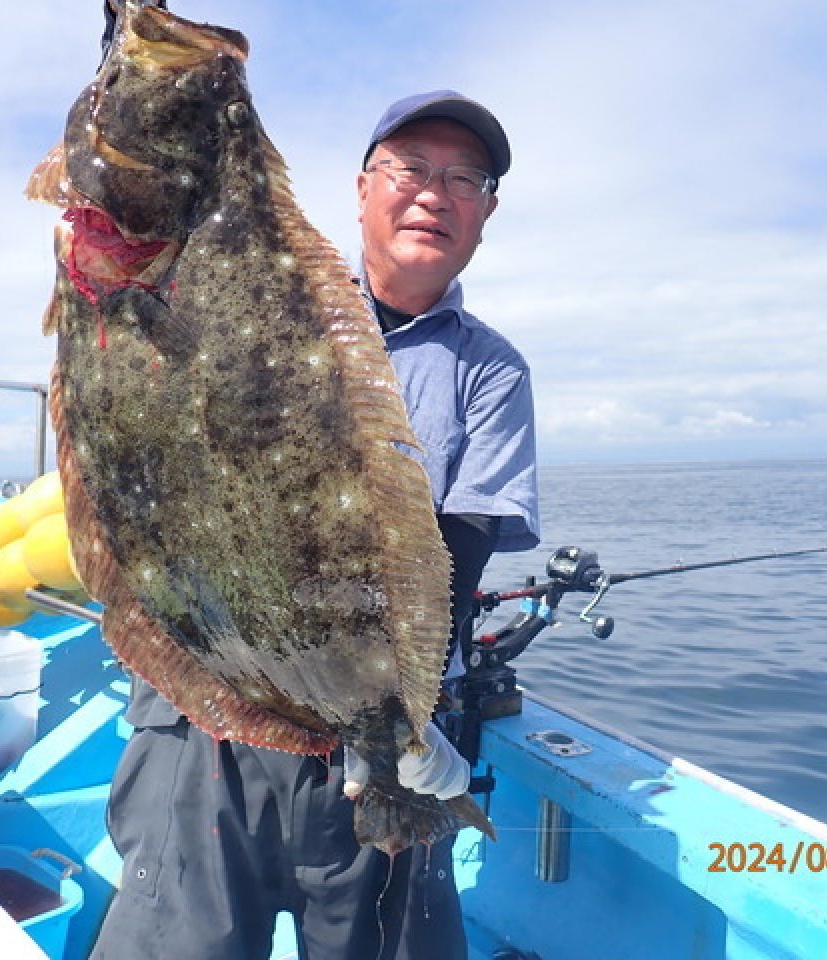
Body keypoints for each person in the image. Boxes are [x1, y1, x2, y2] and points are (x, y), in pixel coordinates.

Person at [91, 90, 540, 960]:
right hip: (207, 724)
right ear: (364, 188)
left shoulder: (492, 371)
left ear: (486, 211)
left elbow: (463, 547)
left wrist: (399, 723)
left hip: (379, 742)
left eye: (465, 179)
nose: (434, 194)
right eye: (410, 170)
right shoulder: (261, 302)